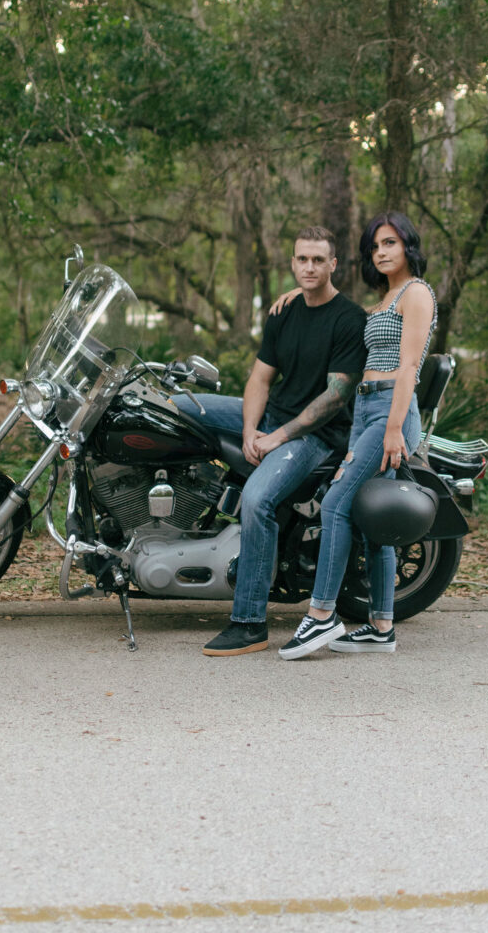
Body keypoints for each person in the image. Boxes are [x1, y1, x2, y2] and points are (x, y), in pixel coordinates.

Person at [173, 225, 367, 656]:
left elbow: (335, 398)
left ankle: (249, 622)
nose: (310, 266)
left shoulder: (350, 320)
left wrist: (274, 437)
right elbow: (260, 378)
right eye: (303, 259)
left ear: (333, 264)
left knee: (258, 499)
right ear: (293, 262)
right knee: (175, 405)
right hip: (275, 416)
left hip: (317, 434)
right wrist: (248, 428)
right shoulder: (284, 312)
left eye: (319, 259)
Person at [276, 211, 437, 660]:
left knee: (335, 503)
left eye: (390, 243)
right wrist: (302, 291)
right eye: (375, 247)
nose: (382, 252)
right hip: (367, 406)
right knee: (372, 518)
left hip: (390, 410)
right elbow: (338, 307)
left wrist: (392, 429)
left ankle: (321, 614)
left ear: (408, 246)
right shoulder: (384, 301)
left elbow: (409, 367)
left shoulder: (416, 293)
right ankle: (382, 626)